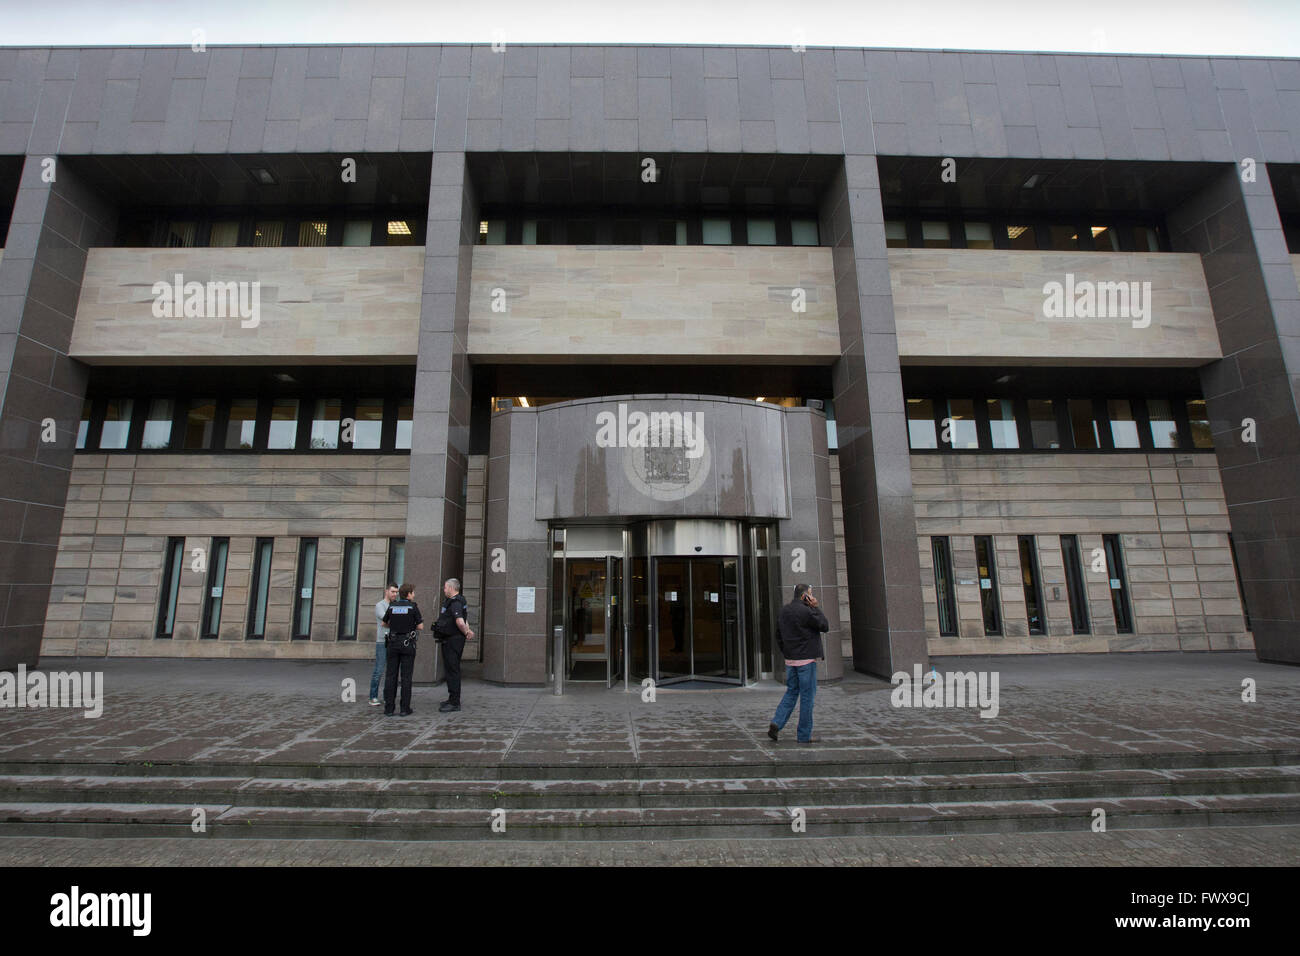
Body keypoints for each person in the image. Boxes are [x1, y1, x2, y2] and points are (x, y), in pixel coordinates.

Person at [767, 583, 828, 745]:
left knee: (791, 692)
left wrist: (787, 652)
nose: (812, 596)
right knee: (807, 697)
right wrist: (815, 607)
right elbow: (824, 626)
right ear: (804, 596)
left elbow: (778, 635)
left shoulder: (784, 611)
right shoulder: (807, 611)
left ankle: (777, 722)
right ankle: (804, 735)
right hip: (806, 661)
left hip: (790, 660)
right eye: (811, 593)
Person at [381, 583, 424, 716]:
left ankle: (389, 708)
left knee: (390, 676)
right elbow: (421, 626)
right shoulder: (413, 607)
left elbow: (384, 623)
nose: (414, 594)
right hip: (407, 644)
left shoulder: (392, 606)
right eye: (413, 592)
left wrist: (395, 626)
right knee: (406, 677)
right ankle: (405, 709)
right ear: (409, 594)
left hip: (392, 643)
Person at [434, 578, 474, 712]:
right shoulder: (460, 600)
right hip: (452, 639)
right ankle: (452, 699)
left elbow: (460, 621)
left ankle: (455, 702)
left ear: (451, 588)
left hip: (452, 640)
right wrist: (467, 631)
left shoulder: (455, 602)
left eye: (445, 587)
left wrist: (465, 631)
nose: (444, 590)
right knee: (451, 669)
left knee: (452, 670)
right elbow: (465, 619)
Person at [369, 583, 398, 705]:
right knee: (379, 669)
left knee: (390, 671)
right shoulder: (380, 605)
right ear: (387, 591)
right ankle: (373, 696)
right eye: (392, 591)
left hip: (394, 640)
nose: (395, 594)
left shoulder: (396, 605)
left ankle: (387, 696)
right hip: (382, 641)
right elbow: (386, 620)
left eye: (396, 592)